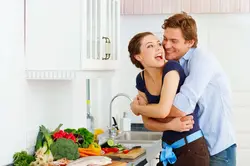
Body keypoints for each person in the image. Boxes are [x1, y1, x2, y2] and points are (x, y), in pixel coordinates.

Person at [131, 12, 236, 166]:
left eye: (174, 41)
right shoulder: (174, 65)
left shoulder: (202, 59)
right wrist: (161, 119)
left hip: (217, 147)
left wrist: (140, 109)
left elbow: (181, 108)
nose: (166, 45)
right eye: (165, 39)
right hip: (193, 145)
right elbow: (162, 112)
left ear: (190, 42)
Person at [128, 32, 209, 166]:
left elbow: (162, 111)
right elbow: (147, 123)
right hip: (168, 150)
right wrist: (170, 125)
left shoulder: (171, 69)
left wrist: (137, 108)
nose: (159, 48)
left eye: (158, 44)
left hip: (191, 150)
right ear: (138, 56)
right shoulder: (141, 79)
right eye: (150, 46)